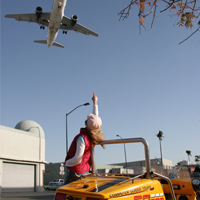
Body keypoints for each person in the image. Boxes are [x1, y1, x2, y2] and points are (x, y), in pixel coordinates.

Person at [64, 92, 105, 184]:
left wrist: (67, 162)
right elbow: (95, 121)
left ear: (86, 123)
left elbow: (77, 158)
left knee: (66, 194)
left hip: (76, 173)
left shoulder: (82, 138)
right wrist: (95, 103)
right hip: (86, 171)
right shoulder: (93, 137)